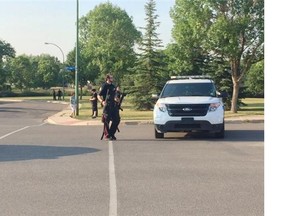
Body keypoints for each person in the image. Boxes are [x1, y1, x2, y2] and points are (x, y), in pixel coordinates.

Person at [97, 74, 120, 140]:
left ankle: (111, 133)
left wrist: (117, 98)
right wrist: (102, 101)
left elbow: (115, 96)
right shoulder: (104, 86)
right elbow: (98, 95)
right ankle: (107, 135)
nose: (112, 79)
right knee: (106, 120)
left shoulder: (113, 86)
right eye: (111, 78)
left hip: (114, 105)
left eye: (112, 77)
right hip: (107, 105)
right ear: (108, 78)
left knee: (117, 119)